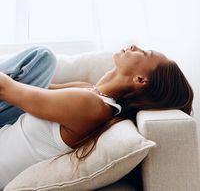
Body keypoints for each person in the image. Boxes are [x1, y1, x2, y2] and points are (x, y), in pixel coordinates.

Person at [0, 45, 194, 188]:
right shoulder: (88, 91)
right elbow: (31, 88)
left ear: (140, 80)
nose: (134, 46)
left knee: (43, 57)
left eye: (144, 53)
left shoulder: (90, 106)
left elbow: (5, 89)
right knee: (42, 59)